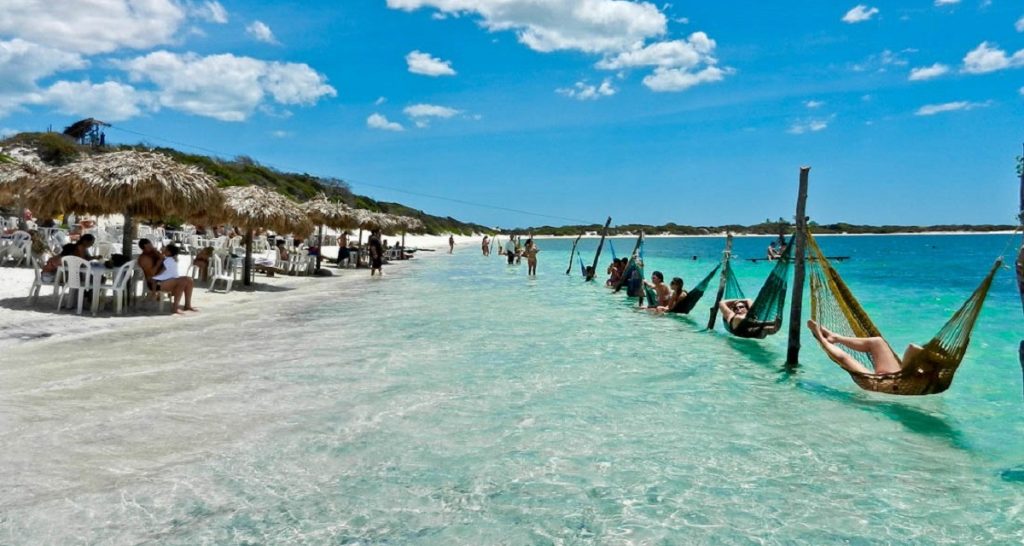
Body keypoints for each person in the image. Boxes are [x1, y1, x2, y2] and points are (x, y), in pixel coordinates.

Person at [807, 320, 915, 375]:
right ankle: (836, 337)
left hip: (883, 384)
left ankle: (822, 339)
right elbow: (912, 348)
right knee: (877, 341)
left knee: (845, 358)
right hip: (895, 376)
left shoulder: (927, 379)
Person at [151, 244, 197, 314]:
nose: (163, 249)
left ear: (169, 252)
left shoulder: (171, 259)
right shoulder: (166, 260)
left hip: (170, 280)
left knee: (189, 280)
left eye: (165, 249)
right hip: (162, 282)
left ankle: (187, 305)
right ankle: (175, 308)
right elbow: (159, 272)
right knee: (183, 281)